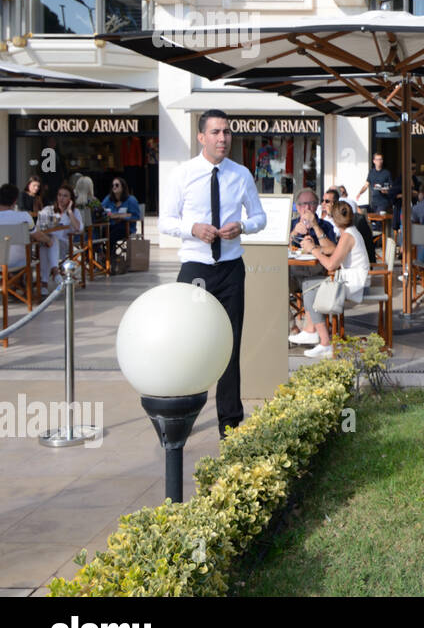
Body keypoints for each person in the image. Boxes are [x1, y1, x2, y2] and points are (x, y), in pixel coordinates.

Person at [159, 109, 267, 439]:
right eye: (216, 132)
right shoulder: (183, 174)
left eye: (227, 132)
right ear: (201, 137)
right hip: (195, 270)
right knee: (187, 344)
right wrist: (192, 228)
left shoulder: (241, 174)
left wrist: (244, 227)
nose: (223, 138)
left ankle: (230, 425)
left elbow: (260, 217)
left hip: (231, 269)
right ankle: (179, 417)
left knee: (230, 347)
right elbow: (165, 221)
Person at [292, 201, 370, 358]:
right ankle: (316, 335)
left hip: (355, 283)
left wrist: (313, 249)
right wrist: (315, 243)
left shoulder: (348, 236)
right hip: (351, 278)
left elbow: (330, 264)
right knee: (311, 283)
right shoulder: (349, 232)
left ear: (333, 219)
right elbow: (332, 250)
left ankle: (321, 339)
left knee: (310, 284)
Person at [36, 183, 83, 289]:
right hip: (46, 242)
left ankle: (44, 283)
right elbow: (38, 226)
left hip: (63, 246)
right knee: (48, 242)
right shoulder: (48, 209)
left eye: (65, 196)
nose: (61, 198)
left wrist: (70, 211)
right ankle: (55, 273)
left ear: (71, 199)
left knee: (52, 241)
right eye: (59, 195)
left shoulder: (75, 212)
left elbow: (78, 229)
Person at [0, 182, 50, 272]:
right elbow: (37, 236)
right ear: (15, 201)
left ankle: (9, 283)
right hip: (20, 262)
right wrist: (49, 240)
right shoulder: (24, 217)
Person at [103, 176, 143, 262]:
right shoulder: (108, 199)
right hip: (111, 224)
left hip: (126, 227)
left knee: (111, 236)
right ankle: (103, 256)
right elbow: (101, 210)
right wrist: (111, 215)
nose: (114, 187)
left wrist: (120, 216)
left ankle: (109, 258)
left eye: (117, 185)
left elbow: (136, 216)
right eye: (113, 185)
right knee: (100, 234)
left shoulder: (131, 200)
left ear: (123, 187)